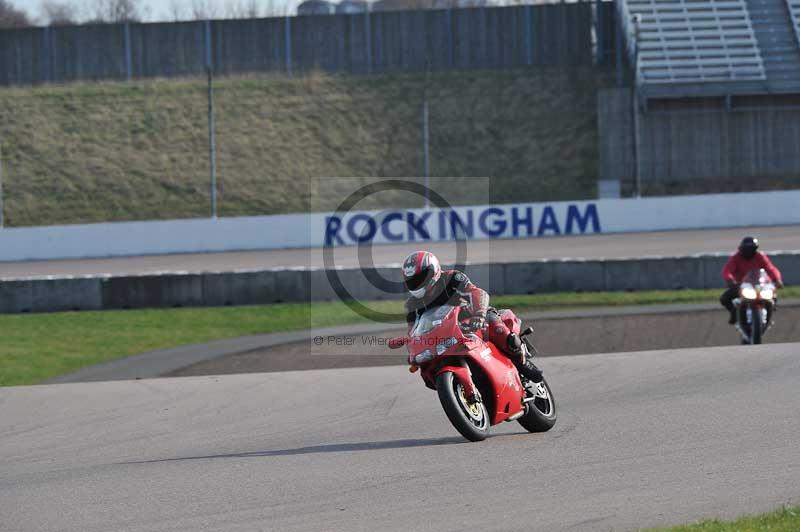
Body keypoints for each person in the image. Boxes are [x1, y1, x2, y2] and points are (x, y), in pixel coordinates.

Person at [401, 250, 542, 382]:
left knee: (494, 324)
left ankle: (522, 363)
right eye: (413, 280)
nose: (419, 282)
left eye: (422, 277)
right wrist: (412, 348)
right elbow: (413, 331)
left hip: (473, 320)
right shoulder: (412, 305)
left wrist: (479, 314)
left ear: (434, 271)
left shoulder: (452, 278)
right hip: (445, 334)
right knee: (426, 368)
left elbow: (477, 293)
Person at [720, 236, 784, 324]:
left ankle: (768, 315)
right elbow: (727, 270)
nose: (748, 252)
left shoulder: (760, 256)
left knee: (772, 297)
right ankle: (734, 313)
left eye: (751, 249)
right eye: (746, 249)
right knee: (724, 298)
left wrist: (777, 279)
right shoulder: (736, 258)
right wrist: (730, 280)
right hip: (741, 286)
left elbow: (770, 268)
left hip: (760, 285)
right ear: (741, 249)